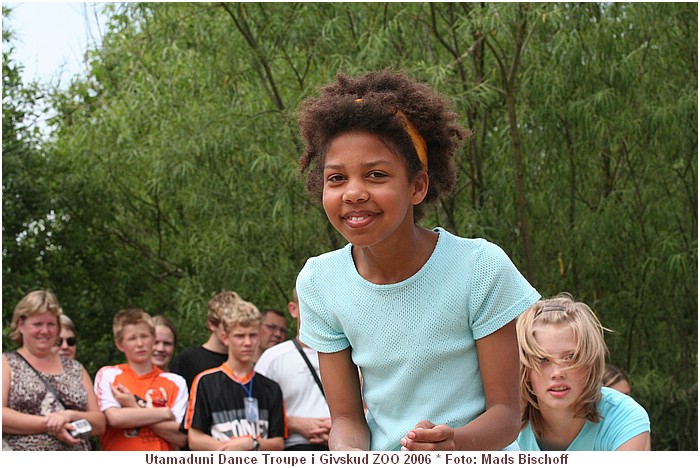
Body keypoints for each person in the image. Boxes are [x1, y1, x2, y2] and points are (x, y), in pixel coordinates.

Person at [295, 69, 540, 451]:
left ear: (417, 186)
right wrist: (348, 455)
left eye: (376, 175)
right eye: (336, 178)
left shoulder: (480, 268)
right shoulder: (319, 282)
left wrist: (453, 443)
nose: (354, 193)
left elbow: (507, 415)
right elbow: (346, 420)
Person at [516, 293, 651, 451]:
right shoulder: (505, 424)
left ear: (590, 363)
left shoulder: (624, 418)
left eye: (571, 357)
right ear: (525, 368)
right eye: (543, 359)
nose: (558, 372)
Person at [2, 290, 105, 450]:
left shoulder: (76, 369)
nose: (45, 331)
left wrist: (70, 416)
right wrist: (50, 424)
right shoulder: (6, 363)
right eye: (37, 324)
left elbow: (99, 423)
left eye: (50, 324)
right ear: (21, 325)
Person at [184, 291, 286, 450]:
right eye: (240, 336)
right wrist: (231, 451)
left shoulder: (271, 388)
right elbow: (195, 438)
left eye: (253, 336)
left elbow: (278, 442)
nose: (247, 342)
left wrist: (252, 444)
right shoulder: (206, 382)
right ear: (226, 338)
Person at [94, 308, 188, 450]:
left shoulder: (175, 382)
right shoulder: (109, 375)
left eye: (144, 336)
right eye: (132, 338)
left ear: (153, 339)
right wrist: (163, 413)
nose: (140, 344)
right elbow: (115, 418)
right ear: (120, 344)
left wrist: (133, 406)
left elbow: (180, 438)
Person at [255, 288, 331, 450]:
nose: (316, 309)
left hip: (342, 450)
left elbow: (372, 407)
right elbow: (255, 413)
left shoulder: (349, 356)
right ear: (293, 309)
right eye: (309, 303)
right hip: (293, 449)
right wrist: (293, 424)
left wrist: (341, 426)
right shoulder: (272, 358)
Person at [169, 292, 237, 390]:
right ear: (212, 324)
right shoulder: (187, 360)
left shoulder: (241, 361)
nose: (232, 330)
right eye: (227, 325)